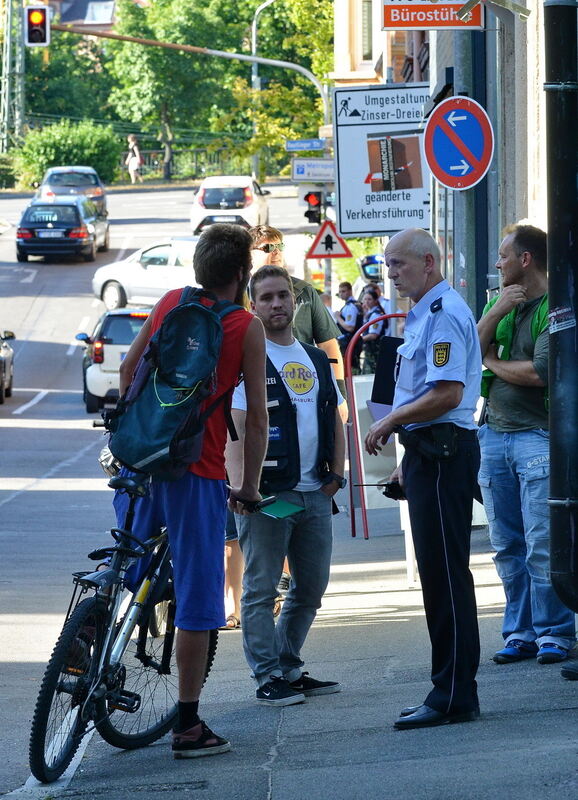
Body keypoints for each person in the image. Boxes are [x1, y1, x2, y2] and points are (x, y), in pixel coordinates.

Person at [118, 223, 268, 758]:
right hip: (197, 472)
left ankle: (87, 642)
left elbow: (128, 367)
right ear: (241, 273)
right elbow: (255, 421)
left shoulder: (168, 302)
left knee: (124, 563)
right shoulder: (245, 327)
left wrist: (140, 431)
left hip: (140, 462)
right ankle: (187, 726)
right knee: (199, 602)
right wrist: (247, 486)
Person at [364, 228, 482, 730]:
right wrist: (404, 456)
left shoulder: (443, 315)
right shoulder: (425, 315)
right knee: (437, 576)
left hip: (443, 454)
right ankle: (449, 688)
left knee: (445, 577)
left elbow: (447, 394)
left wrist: (391, 422)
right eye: (387, 265)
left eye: (399, 264)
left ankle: (453, 693)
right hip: (428, 454)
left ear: (429, 263)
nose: (391, 273)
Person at [226, 265, 346, 706]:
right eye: (267, 298)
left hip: (316, 491)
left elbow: (332, 414)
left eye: (283, 296)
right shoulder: (249, 361)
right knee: (261, 587)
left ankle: (288, 664)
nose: (277, 304)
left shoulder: (315, 358)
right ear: (253, 306)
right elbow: (235, 428)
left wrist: (337, 474)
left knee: (311, 586)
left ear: (295, 302)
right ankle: (266, 675)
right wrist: (241, 486)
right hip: (269, 494)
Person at [477, 224, 575, 666]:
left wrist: (492, 361)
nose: (497, 264)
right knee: (506, 544)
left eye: (503, 256)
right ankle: (520, 632)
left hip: (537, 436)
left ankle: (555, 631)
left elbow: (540, 374)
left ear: (526, 259)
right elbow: (468, 352)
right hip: (494, 436)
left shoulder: (555, 307)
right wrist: (494, 314)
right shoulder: (500, 302)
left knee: (541, 542)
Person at [248, 225, 348, 423]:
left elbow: (328, 345)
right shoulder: (237, 296)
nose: (276, 252)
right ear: (249, 255)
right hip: (257, 393)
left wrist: (339, 395)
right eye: (268, 248)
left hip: (305, 390)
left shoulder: (304, 292)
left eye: (280, 246)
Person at [335, 281, 362, 372]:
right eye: (340, 292)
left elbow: (350, 327)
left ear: (350, 291)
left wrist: (338, 317)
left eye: (344, 291)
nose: (341, 294)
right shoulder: (352, 305)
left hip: (350, 342)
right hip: (350, 342)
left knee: (350, 370)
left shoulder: (351, 307)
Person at [360, 288, 385, 374]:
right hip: (369, 351)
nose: (366, 301)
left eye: (369, 299)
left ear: (375, 301)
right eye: (365, 299)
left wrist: (359, 340)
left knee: (370, 374)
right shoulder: (369, 313)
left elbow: (373, 335)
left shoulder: (376, 314)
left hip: (374, 352)